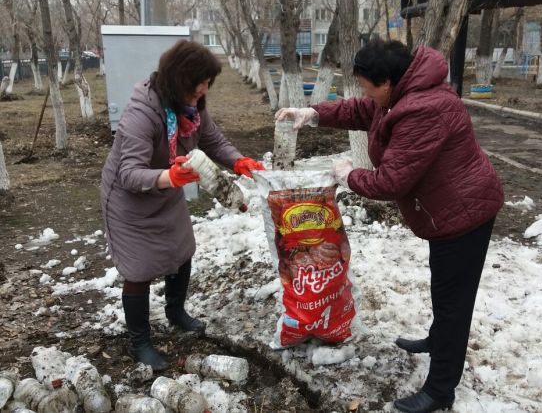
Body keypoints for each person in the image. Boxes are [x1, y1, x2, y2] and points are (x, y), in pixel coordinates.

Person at [275, 39, 504, 413]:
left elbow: (391, 182)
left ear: (387, 81)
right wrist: (313, 113)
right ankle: (438, 340)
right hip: (447, 209)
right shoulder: (402, 93)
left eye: (368, 87)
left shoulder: (423, 110)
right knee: (445, 289)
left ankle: (440, 389)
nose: (365, 94)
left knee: (454, 304)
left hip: (465, 215)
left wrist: (350, 174)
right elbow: (359, 110)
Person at [101, 40, 265, 371]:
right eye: (199, 83)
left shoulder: (191, 105)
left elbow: (212, 140)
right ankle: (140, 341)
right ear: (179, 79)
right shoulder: (141, 113)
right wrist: (171, 177)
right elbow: (129, 173)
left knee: (181, 249)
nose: (204, 90)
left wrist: (238, 161)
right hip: (129, 199)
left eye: (208, 83)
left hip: (166, 186)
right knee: (139, 268)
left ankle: (176, 312)